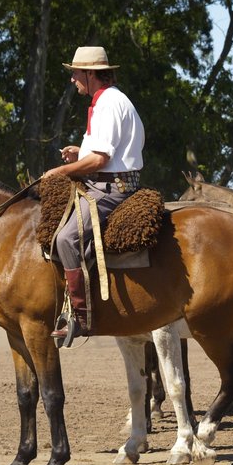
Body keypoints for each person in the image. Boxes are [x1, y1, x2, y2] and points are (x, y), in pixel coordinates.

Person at [44, 46, 145, 341]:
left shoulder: (109, 104)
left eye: (76, 73)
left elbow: (100, 161)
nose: (72, 79)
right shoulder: (108, 101)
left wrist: (58, 172)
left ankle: (81, 317)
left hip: (111, 190)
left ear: (91, 74)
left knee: (66, 238)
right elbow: (102, 152)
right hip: (106, 183)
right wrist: (80, 152)